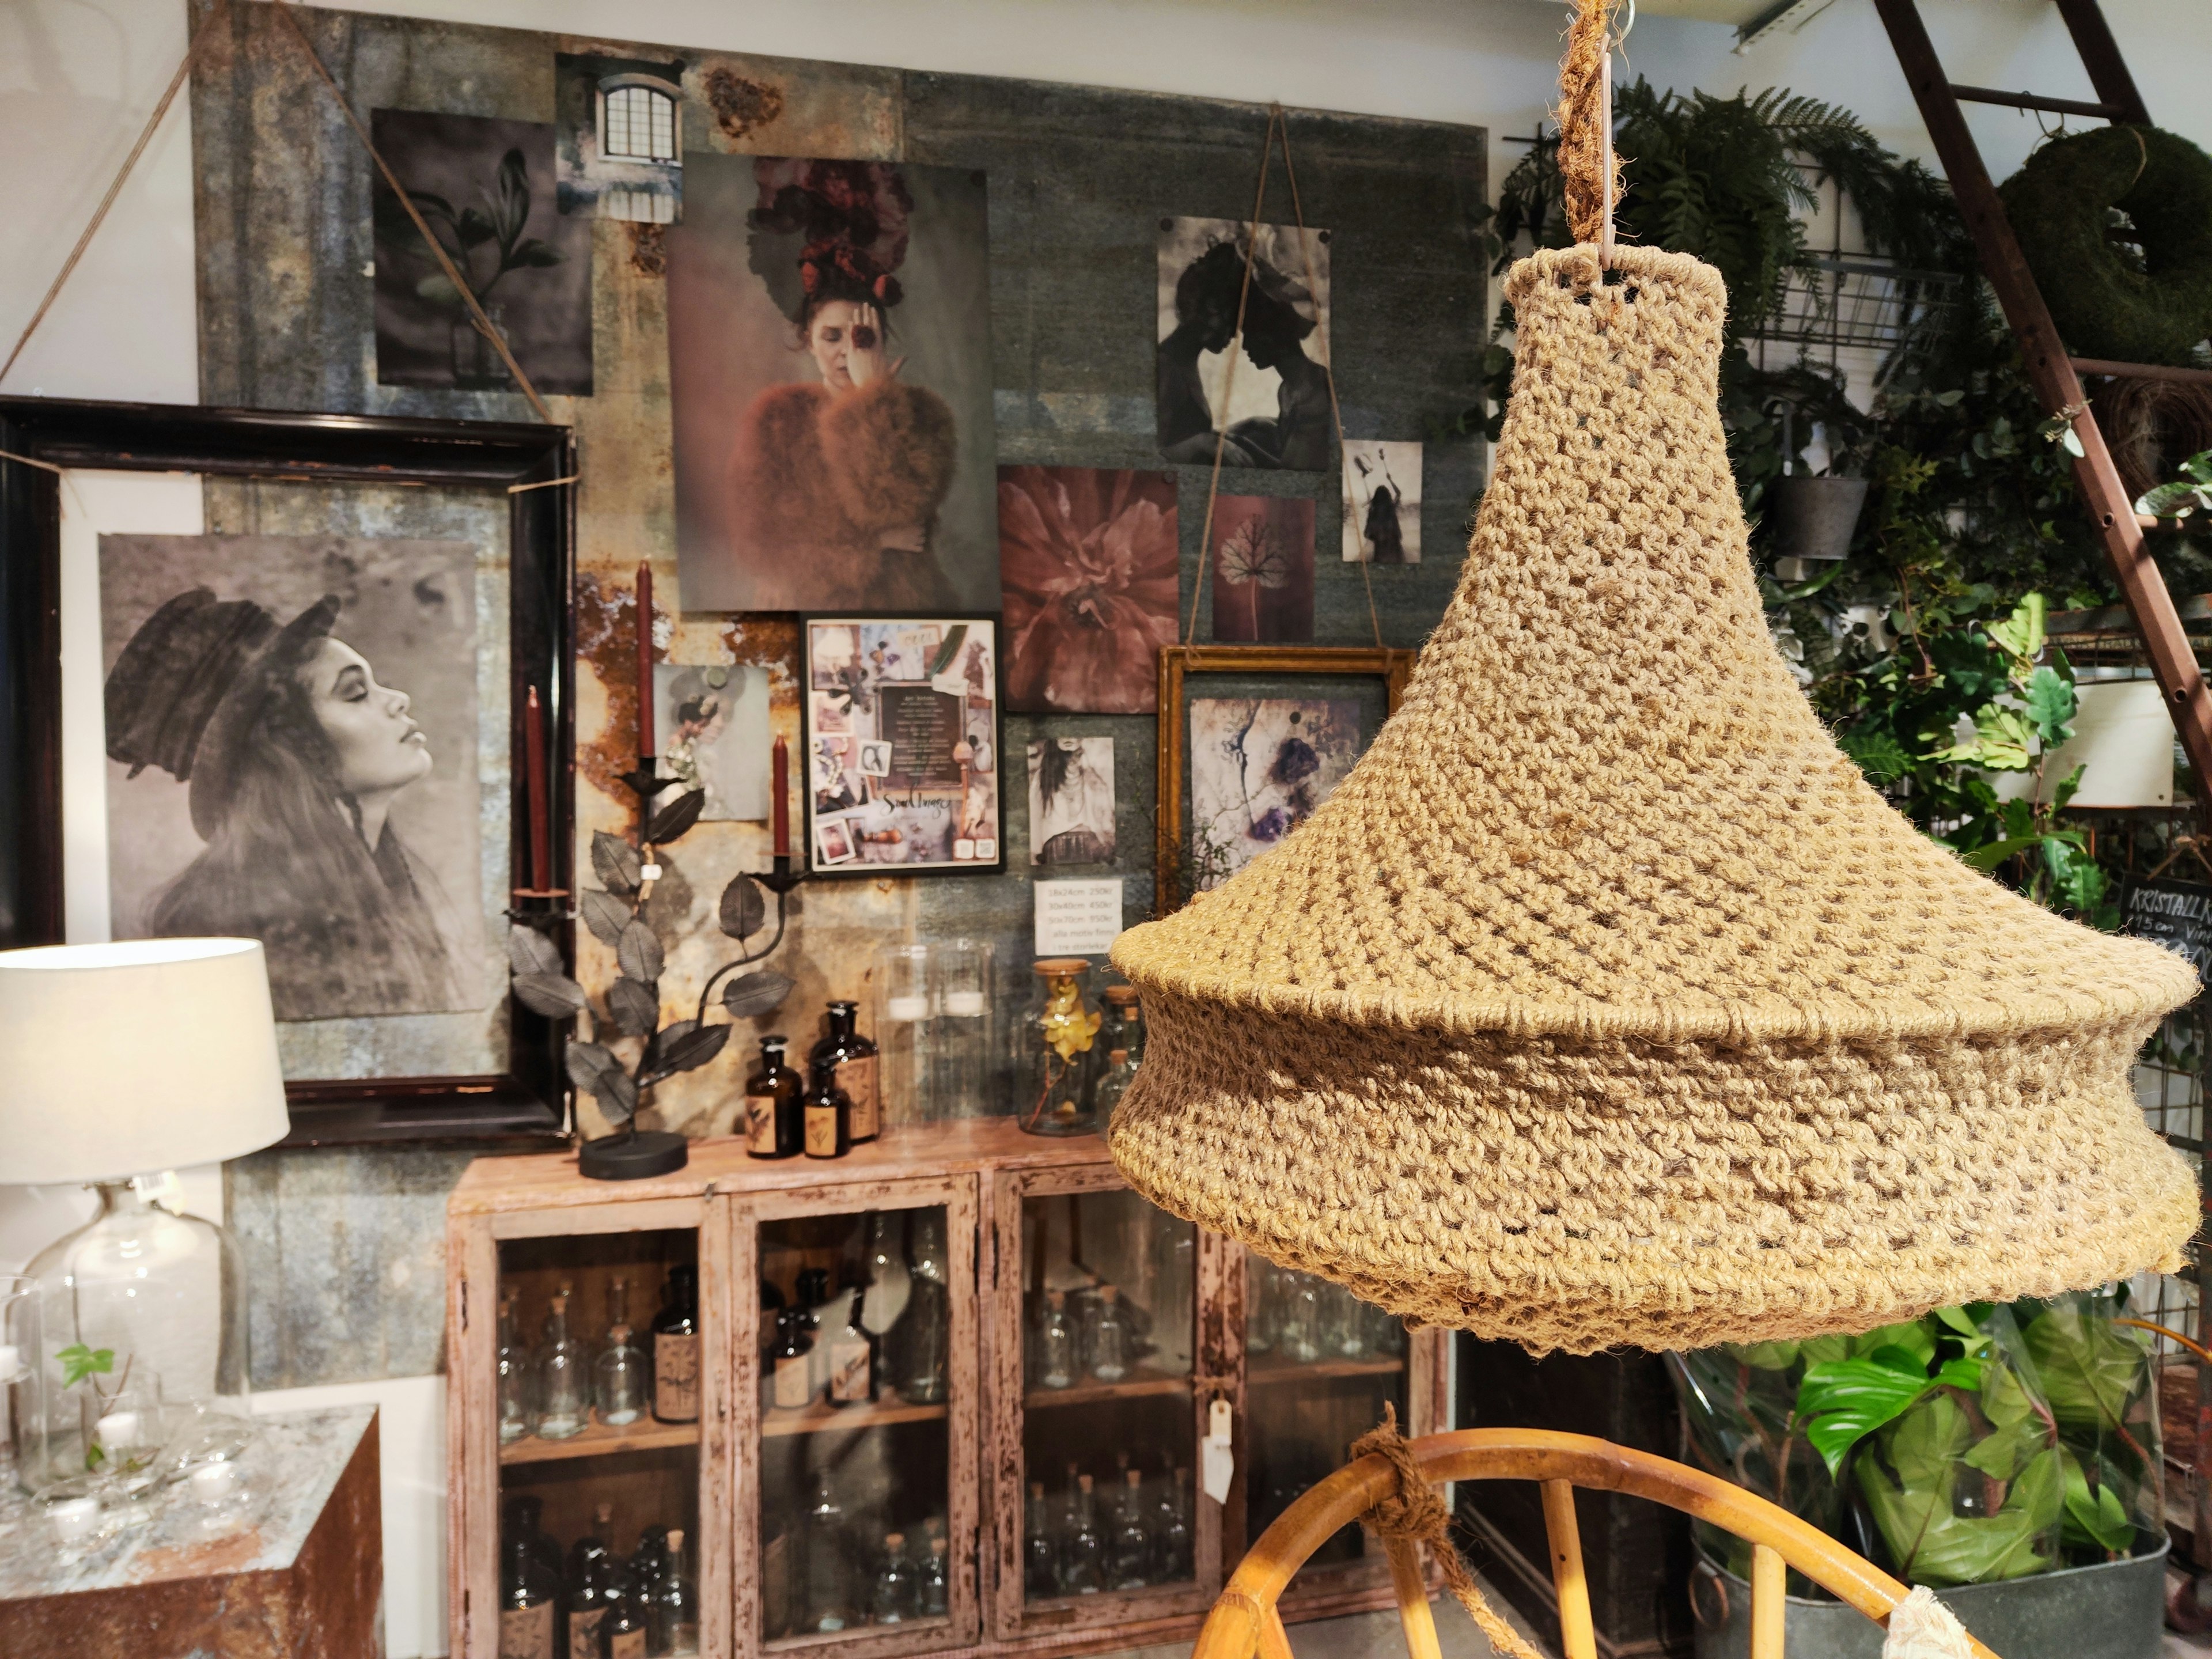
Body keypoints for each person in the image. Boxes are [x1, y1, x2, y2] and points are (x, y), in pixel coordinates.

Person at [105, 587, 469, 1020]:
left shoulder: (379, 879)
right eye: (355, 693)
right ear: (288, 751)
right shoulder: (226, 923)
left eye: (374, 684)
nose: (398, 699)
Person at [728, 160, 960, 608]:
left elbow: (894, 511)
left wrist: (874, 399)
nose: (845, 353)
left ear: (880, 341)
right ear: (809, 342)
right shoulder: (778, 419)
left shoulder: (923, 416)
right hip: (806, 611)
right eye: (831, 337)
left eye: (861, 337)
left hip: (905, 613)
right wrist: (873, 546)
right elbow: (761, 546)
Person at [1159, 236, 1331, 471]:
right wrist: (1207, 442)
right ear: (1212, 310)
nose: (1237, 339)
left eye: (1245, 328)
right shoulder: (1165, 368)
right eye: (1234, 322)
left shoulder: (1181, 360)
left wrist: (1244, 430)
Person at [1353, 448, 1407, 563]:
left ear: (1376, 498)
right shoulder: (1391, 508)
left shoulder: (1373, 512)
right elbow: (1399, 494)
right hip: (1396, 551)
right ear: (1388, 497)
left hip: (1380, 553)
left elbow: (1367, 534)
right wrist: (1391, 480)